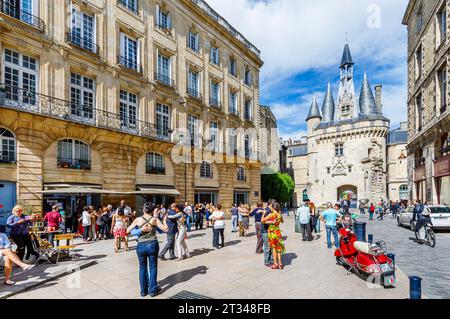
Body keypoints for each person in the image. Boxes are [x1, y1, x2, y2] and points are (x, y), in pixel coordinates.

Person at [127, 202, 169, 297]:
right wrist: (165, 221)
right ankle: (152, 290)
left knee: (142, 268)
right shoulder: (155, 219)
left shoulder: (138, 220)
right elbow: (166, 230)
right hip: (152, 244)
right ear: (152, 210)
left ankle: (143, 291)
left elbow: (127, 231)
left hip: (140, 245)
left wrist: (140, 230)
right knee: (153, 267)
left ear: (143, 209)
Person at [262, 202, 285, 270]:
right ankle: (280, 263)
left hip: (272, 233)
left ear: (273, 208)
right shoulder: (279, 215)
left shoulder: (272, 215)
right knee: (279, 248)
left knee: (274, 249)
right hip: (278, 232)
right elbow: (282, 221)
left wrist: (263, 214)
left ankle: (275, 264)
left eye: (271, 207)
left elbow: (262, 220)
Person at [261, 202, 275, 267]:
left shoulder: (270, 211)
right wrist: (272, 222)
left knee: (271, 246)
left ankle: (271, 260)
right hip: (266, 231)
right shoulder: (267, 211)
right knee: (267, 247)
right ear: (271, 204)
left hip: (269, 231)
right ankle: (267, 261)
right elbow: (263, 221)